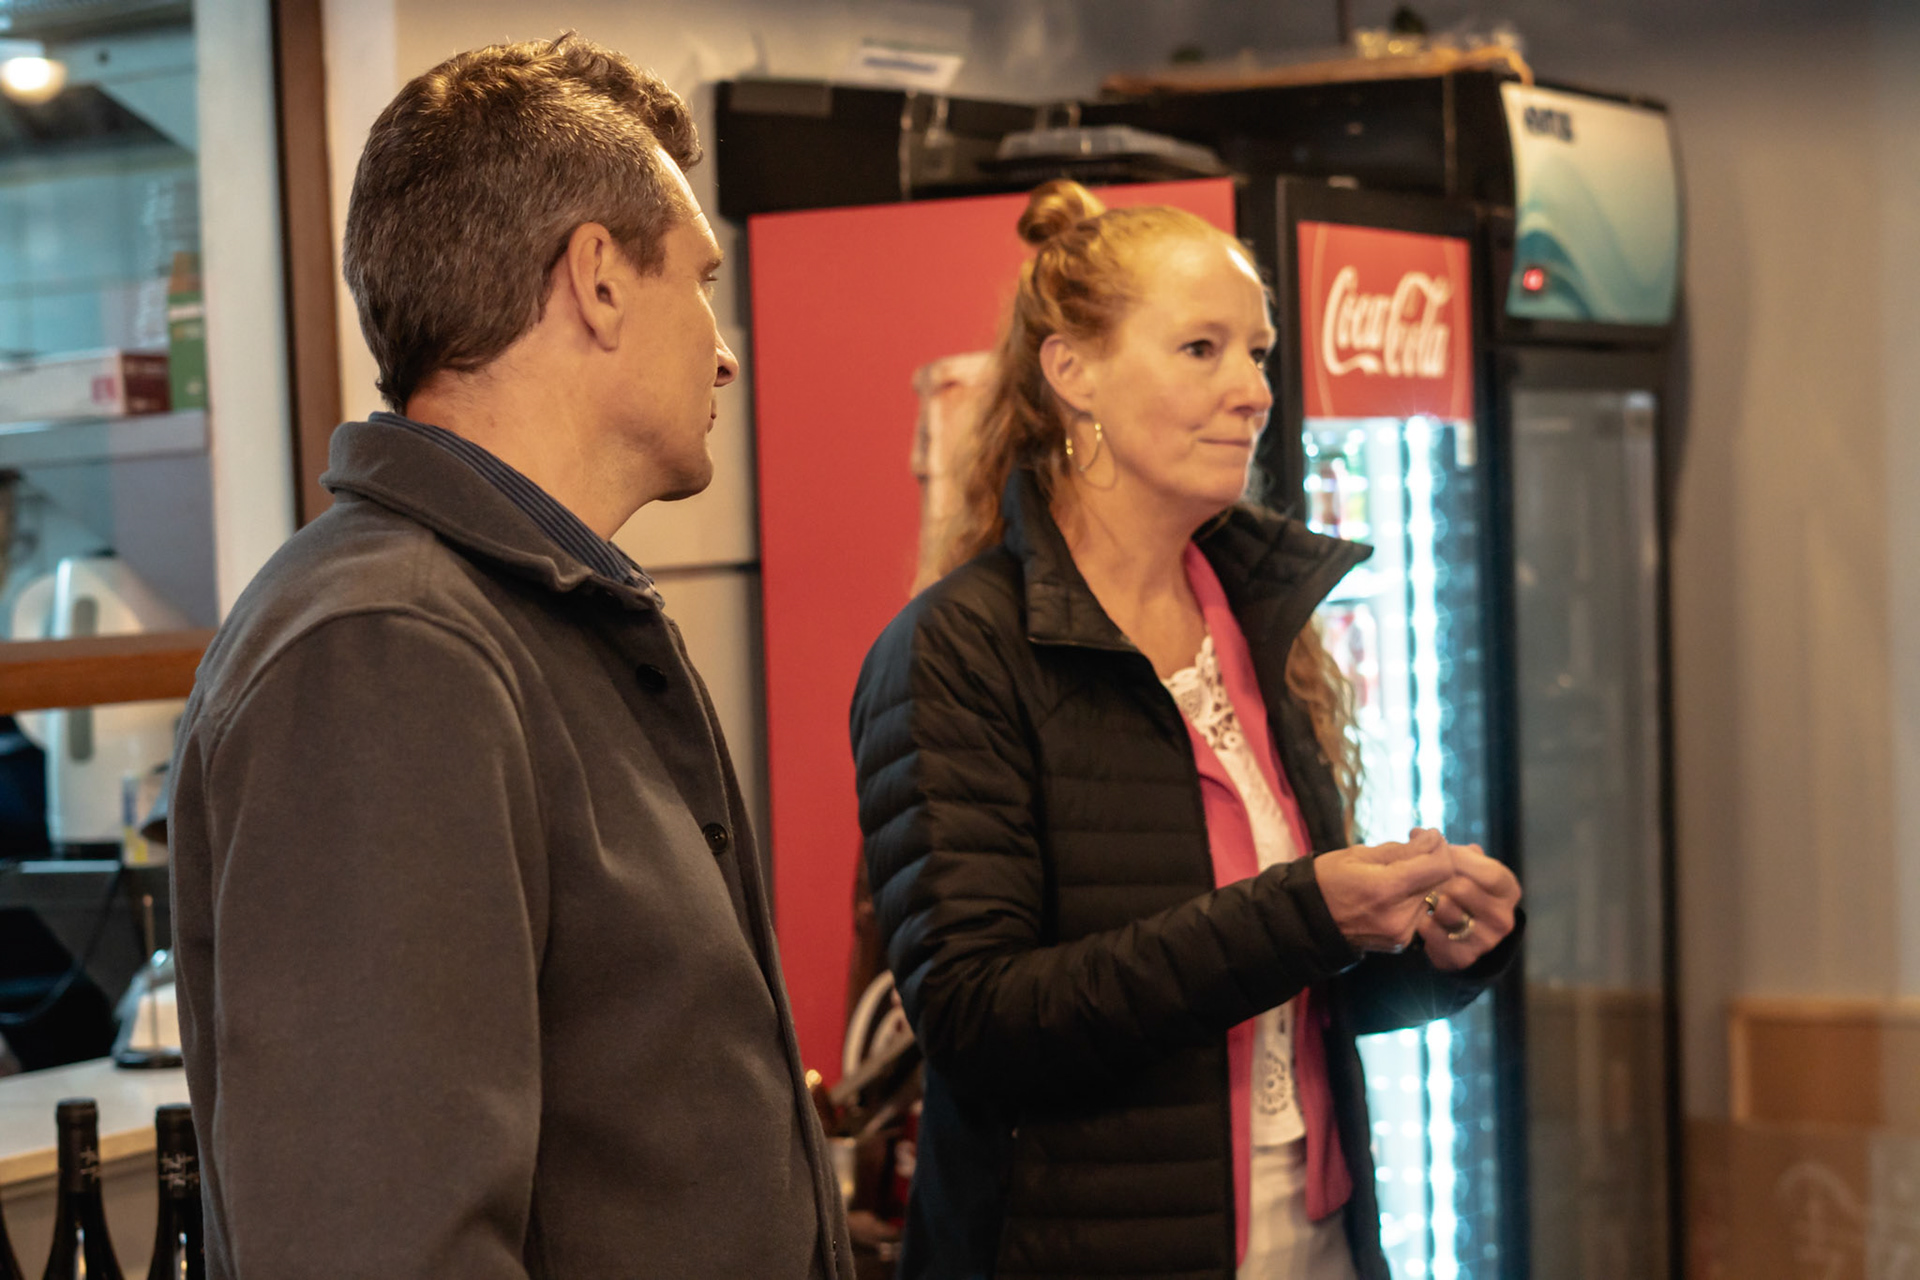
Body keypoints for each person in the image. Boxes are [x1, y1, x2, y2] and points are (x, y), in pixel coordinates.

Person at [166, 37, 850, 1279]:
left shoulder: (547, 612)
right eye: (701, 281)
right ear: (598, 279)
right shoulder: (386, 651)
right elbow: (377, 1245)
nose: (725, 349)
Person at [848, 181, 1523, 1280]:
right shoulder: (955, 651)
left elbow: (1282, 1001)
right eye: (1201, 349)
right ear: (1072, 372)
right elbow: (979, 1027)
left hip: (1315, 1242)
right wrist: (1304, 912)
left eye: (1257, 353)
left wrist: (1433, 951)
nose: (1253, 391)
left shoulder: (1254, 618)